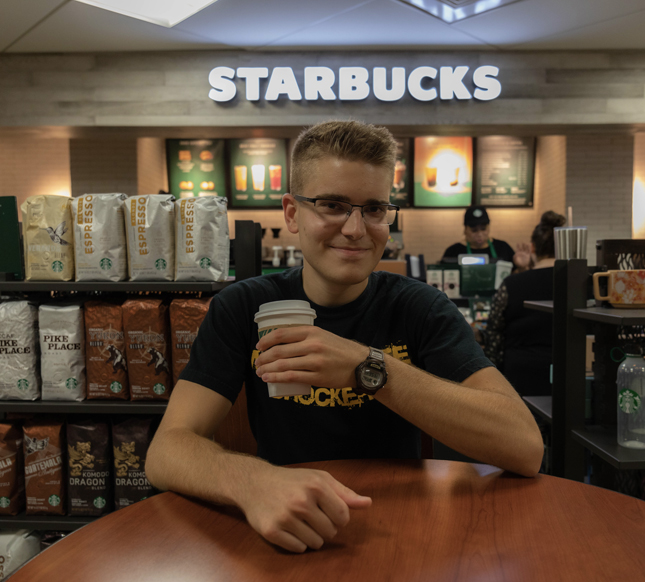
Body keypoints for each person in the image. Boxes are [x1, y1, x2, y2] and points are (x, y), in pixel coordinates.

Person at [145, 120, 544, 554]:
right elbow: (167, 449)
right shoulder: (243, 306)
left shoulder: (421, 307)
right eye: (333, 205)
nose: (356, 229)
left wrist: (367, 368)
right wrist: (254, 482)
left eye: (374, 209)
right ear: (293, 214)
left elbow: (524, 448)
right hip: (287, 526)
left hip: (404, 530)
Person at [484, 210, 566, 396]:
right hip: (569, 374)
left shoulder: (512, 284)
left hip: (519, 377)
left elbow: (494, 334)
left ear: (533, 248)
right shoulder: (579, 282)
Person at [441, 206, 516, 263]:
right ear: (465, 230)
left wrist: (522, 267)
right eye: (474, 231)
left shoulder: (502, 248)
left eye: (483, 229)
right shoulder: (453, 251)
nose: (480, 234)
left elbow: (515, 275)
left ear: (489, 228)